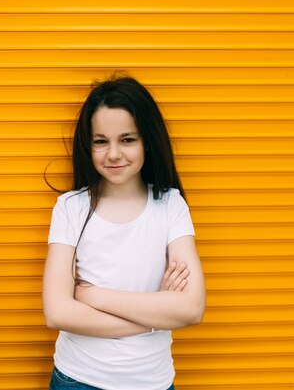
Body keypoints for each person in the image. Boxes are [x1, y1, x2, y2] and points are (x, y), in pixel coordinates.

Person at [42, 76, 206, 390]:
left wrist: (93, 296)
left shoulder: (170, 205)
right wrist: (155, 317)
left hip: (153, 383)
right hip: (78, 380)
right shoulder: (70, 208)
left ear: (148, 141)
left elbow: (191, 308)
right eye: (101, 141)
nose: (114, 154)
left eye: (127, 139)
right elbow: (57, 312)